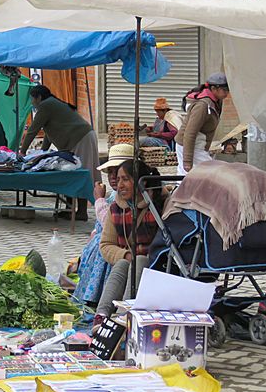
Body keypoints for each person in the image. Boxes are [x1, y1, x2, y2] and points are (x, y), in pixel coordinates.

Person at [93, 159, 167, 325]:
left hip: (156, 265)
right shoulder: (116, 208)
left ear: (142, 181)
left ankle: (123, 316)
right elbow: (106, 245)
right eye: (118, 180)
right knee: (122, 264)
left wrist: (139, 257)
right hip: (131, 262)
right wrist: (125, 255)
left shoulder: (160, 205)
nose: (120, 185)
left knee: (139, 261)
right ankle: (101, 315)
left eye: (125, 179)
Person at [19, 84, 98, 221]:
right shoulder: (52, 104)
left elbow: (33, 129)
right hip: (77, 138)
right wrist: (43, 152)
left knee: (80, 172)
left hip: (81, 138)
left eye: (33, 98)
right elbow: (49, 133)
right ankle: (70, 209)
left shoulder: (46, 105)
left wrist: (22, 151)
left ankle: (82, 212)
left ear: (39, 97)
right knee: (69, 172)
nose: (32, 102)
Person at [70, 143, 133, 308]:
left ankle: (98, 300)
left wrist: (99, 199)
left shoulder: (130, 197)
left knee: (102, 246)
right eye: (111, 172)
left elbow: (111, 225)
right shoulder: (113, 196)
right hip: (105, 245)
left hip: (120, 246)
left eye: (119, 173)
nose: (113, 177)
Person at [175, 72, 230, 174]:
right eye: (224, 90)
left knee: (194, 177)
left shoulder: (216, 102)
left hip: (198, 145)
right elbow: (190, 133)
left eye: (228, 90)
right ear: (213, 89)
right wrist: (187, 161)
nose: (227, 93)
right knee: (210, 173)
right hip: (188, 146)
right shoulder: (202, 106)